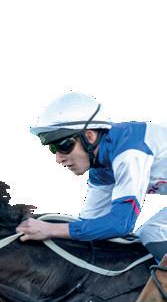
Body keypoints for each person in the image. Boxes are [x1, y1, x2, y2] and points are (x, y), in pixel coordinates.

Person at [18, 92, 167, 260]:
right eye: (53, 148)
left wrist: (50, 229)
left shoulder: (129, 153)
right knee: (141, 241)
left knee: (152, 234)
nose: (58, 158)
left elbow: (121, 224)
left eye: (63, 146)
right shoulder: (100, 167)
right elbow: (88, 224)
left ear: (89, 136)